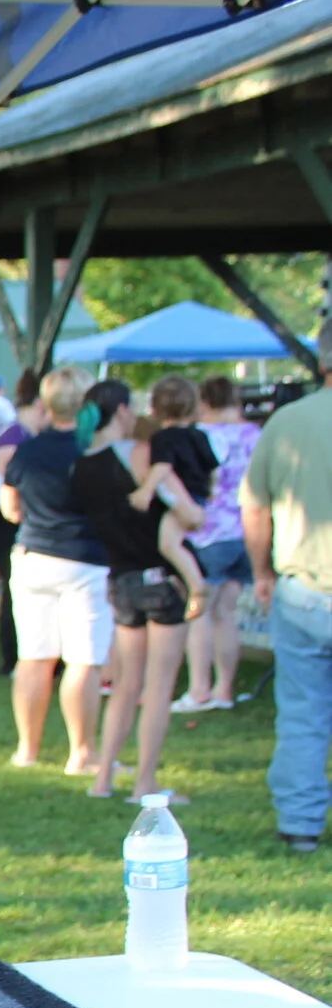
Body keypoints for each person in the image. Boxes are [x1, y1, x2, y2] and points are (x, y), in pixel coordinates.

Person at [73, 379, 206, 801]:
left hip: (121, 581)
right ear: (124, 411)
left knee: (126, 684)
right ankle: (145, 782)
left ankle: (103, 779)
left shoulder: (82, 466)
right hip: (160, 580)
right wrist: (195, 514)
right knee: (159, 684)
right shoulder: (136, 454)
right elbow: (186, 509)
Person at [242, 344, 332, 853]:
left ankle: (300, 822)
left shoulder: (286, 422)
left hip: (301, 588)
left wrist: (260, 570)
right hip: (303, 585)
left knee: (302, 712)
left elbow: (254, 507)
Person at [2, 367, 108, 773]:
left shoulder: (25, 450)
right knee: (83, 659)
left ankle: (27, 749)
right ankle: (82, 752)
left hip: (33, 556)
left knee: (33, 656)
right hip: (84, 558)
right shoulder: (93, 450)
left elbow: (10, 508)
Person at [178, 374, 259, 713]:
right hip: (247, 533)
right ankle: (224, 688)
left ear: (204, 402)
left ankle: (199, 690)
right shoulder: (255, 434)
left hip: (209, 532)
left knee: (200, 613)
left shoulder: (202, 436)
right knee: (226, 614)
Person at [0, 370, 47, 676]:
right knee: (14, 589)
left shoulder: (26, 435)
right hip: (7, 519)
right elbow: (6, 479)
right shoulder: (14, 435)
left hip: (20, 517)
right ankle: (13, 657)